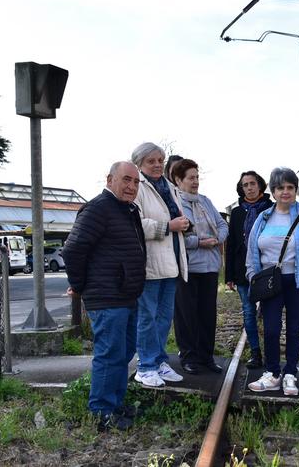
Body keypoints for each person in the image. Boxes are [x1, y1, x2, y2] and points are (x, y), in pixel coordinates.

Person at [63, 161, 146, 431]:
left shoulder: (126, 210)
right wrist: (79, 285)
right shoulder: (99, 208)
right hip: (107, 298)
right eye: (126, 180)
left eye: (136, 182)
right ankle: (101, 413)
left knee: (123, 352)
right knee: (110, 355)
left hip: (125, 296)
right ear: (110, 179)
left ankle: (115, 404)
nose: (131, 186)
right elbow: (73, 249)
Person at [246, 167, 299, 396]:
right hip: (271, 281)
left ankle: (290, 373)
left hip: (297, 281)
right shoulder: (263, 218)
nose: (286, 192)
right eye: (281, 187)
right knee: (271, 329)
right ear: (272, 191)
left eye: (290, 187)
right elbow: (252, 250)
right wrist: (253, 275)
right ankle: (272, 373)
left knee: (294, 328)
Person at [131, 142, 189, 388]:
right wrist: (168, 227)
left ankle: (159, 361)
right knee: (148, 317)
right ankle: (144, 366)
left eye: (160, 160)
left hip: (172, 261)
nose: (157, 165)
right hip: (151, 264)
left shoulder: (170, 187)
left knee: (164, 317)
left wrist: (183, 225)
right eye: (151, 161)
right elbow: (134, 223)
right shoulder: (137, 187)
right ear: (139, 164)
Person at [173, 159, 229, 375]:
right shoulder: (174, 203)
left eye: (197, 177)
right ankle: (189, 357)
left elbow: (222, 224)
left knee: (207, 314)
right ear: (179, 180)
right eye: (191, 178)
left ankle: (206, 357)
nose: (196, 181)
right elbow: (175, 237)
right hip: (187, 268)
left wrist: (218, 238)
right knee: (187, 315)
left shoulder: (205, 201)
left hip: (210, 267)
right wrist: (198, 242)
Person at [225, 171, 272, 369]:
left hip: (268, 268)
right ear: (241, 188)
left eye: (252, 183)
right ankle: (255, 352)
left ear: (260, 185)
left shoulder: (272, 208)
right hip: (242, 269)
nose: (249, 188)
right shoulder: (236, 213)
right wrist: (229, 275)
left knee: (270, 311)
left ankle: (272, 352)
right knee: (248, 311)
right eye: (245, 185)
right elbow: (232, 243)